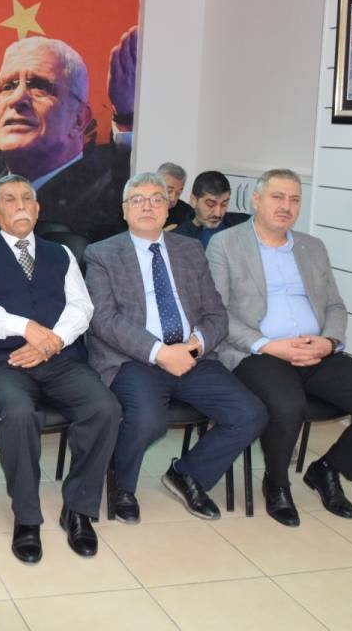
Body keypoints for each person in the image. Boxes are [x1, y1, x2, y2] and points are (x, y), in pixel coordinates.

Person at [207, 169, 352, 527]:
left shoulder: (312, 247)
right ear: (256, 200)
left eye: (294, 199)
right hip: (259, 352)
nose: (286, 206)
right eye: (277, 197)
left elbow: (335, 306)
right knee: (287, 407)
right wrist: (269, 345)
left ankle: (328, 470)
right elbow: (216, 312)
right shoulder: (226, 245)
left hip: (316, 351)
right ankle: (277, 483)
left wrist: (328, 342)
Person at [0, 175, 120, 564]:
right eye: (10, 200)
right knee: (19, 413)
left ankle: (78, 509)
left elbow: (81, 306)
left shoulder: (60, 254)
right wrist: (24, 327)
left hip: (58, 357)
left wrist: (53, 340)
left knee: (104, 408)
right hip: (0, 360)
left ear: (38, 208)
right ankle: (27, 517)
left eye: (27, 198)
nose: (20, 205)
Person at [84, 172, 266, 523]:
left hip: (192, 357)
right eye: (137, 199)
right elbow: (104, 320)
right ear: (124, 210)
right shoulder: (102, 253)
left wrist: (193, 348)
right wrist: (160, 352)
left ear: (169, 208)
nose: (147, 206)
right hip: (134, 359)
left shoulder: (190, 250)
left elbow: (216, 314)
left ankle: (188, 474)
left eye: (156, 199)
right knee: (148, 420)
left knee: (250, 414)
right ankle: (122, 484)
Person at [0, 38, 127, 233]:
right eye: (7, 87)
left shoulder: (111, 195)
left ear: (79, 119)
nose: (17, 98)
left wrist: (127, 120)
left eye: (39, 87)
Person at [171, 170, 249, 249]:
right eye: (210, 204)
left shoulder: (242, 224)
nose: (218, 213)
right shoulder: (175, 238)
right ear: (194, 200)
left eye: (224, 204)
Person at [157, 162, 194, 230]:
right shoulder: (142, 208)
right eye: (169, 191)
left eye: (178, 193)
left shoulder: (187, 212)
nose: (173, 199)